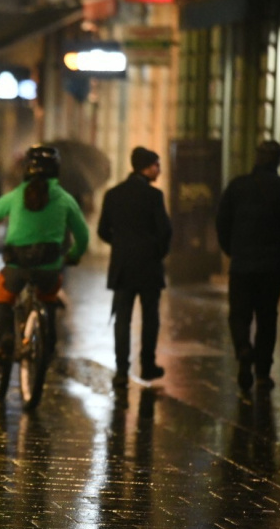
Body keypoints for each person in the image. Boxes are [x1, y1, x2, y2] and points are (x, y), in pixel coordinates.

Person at [0, 145, 89, 387]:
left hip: (17, 266)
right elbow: (82, 234)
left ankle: (7, 336)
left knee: (2, 297)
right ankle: (47, 339)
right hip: (49, 267)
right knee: (48, 296)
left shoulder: (16, 195)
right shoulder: (65, 199)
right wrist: (73, 255)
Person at [216, 140, 280, 391]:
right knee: (267, 318)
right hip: (272, 267)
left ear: (256, 159)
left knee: (239, 314)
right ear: (278, 160)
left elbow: (222, 222)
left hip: (242, 264)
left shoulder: (237, 187)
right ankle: (263, 373)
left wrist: (231, 249)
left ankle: (244, 349)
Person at [98, 146, 172, 388]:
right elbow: (165, 232)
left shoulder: (113, 194)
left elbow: (102, 230)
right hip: (149, 266)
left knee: (122, 319)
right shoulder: (154, 196)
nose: (159, 170)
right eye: (156, 165)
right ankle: (148, 366)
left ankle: (121, 370)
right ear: (147, 167)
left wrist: (120, 245)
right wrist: (157, 252)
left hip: (122, 266)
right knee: (150, 318)